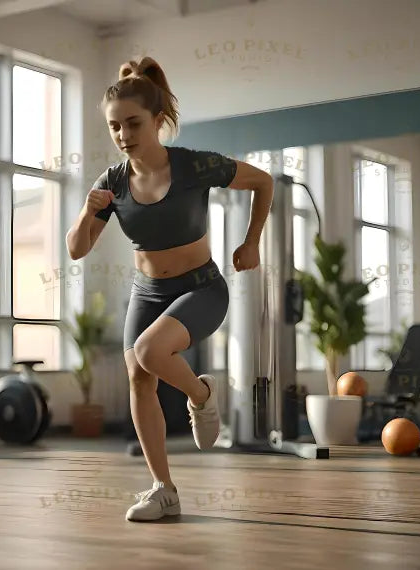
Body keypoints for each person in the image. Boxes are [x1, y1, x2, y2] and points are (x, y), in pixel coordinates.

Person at [65, 57, 274, 522]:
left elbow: (263, 181)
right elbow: (77, 249)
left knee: (148, 352)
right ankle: (163, 489)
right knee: (140, 376)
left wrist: (251, 241)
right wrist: (86, 211)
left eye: (133, 123)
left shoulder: (195, 165)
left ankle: (200, 395)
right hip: (147, 292)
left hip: (202, 288)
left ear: (158, 121)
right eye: (115, 127)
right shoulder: (112, 183)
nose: (123, 135)